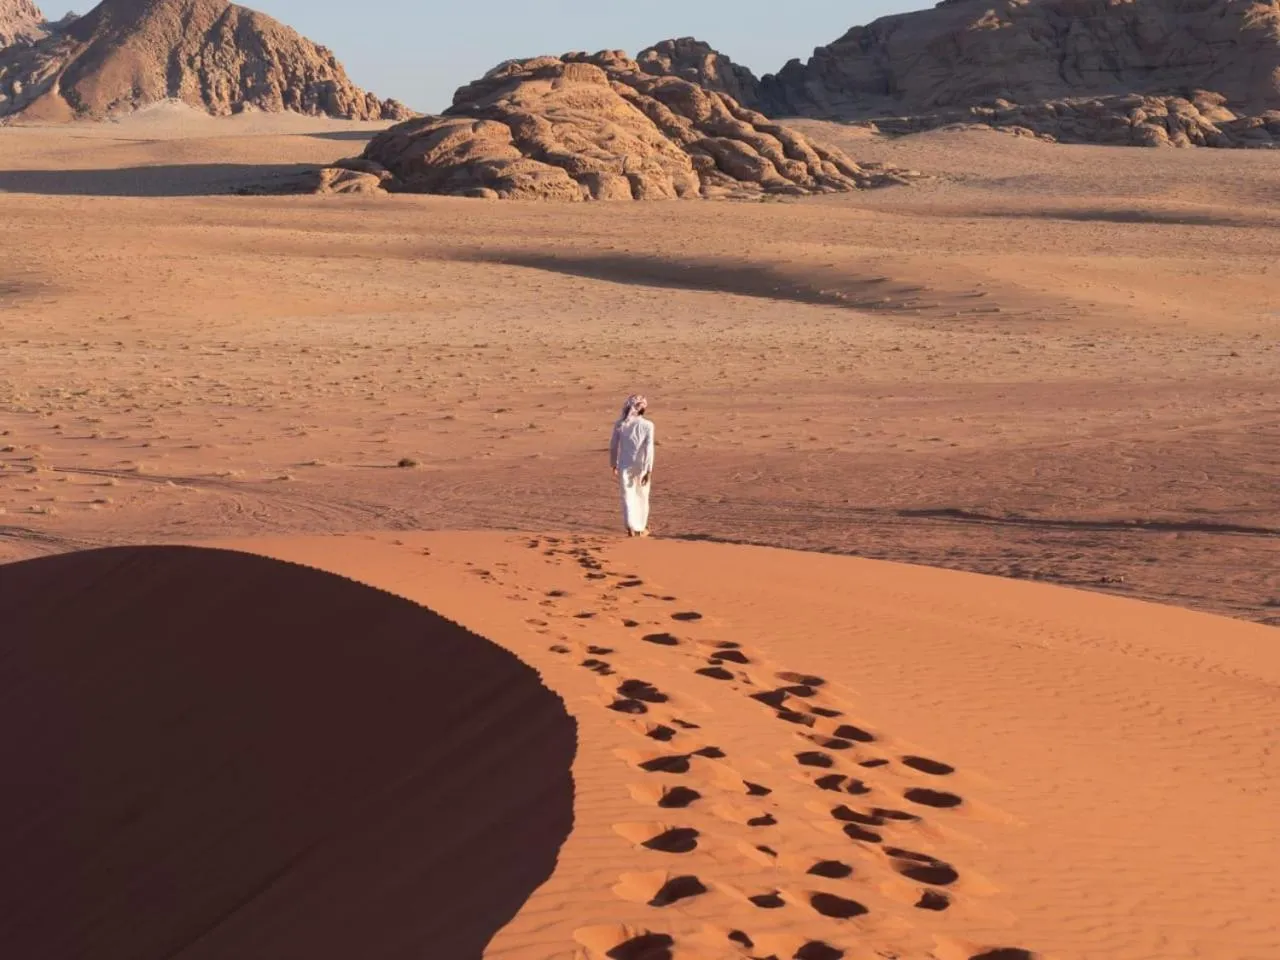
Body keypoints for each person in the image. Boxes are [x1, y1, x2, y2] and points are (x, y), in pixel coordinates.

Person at [610, 394, 655, 537]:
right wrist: (648, 469)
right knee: (642, 495)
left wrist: (613, 464)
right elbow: (649, 448)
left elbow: (613, 446)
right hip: (641, 466)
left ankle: (630, 527)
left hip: (624, 465)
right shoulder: (648, 425)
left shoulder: (621, 424)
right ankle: (640, 529)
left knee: (628, 496)